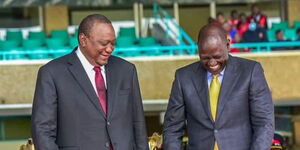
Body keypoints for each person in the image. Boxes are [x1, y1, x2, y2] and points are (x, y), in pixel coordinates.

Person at [31, 14, 149, 150]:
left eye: (113, 43)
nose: (110, 49)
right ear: (83, 40)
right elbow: (42, 131)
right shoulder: (52, 73)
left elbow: (138, 123)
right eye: (104, 43)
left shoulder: (127, 70)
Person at [163, 23, 274, 150]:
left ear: (228, 45)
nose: (212, 63)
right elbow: (172, 128)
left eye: (217, 56)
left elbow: (264, 123)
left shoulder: (250, 71)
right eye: (205, 58)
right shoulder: (183, 77)